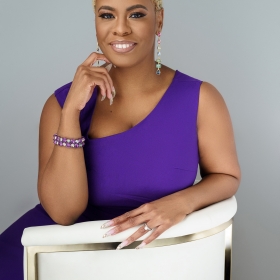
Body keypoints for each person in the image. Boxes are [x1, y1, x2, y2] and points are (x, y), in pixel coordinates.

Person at [0, 0, 241, 278]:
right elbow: (62, 214)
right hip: (50, 259)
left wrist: (182, 203)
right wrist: (70, 116)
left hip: (147, 261)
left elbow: (227, 175)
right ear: (96, 23)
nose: (120, 29)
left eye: (136, 14)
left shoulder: (200, 99)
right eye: (107, 15)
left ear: (159, 21)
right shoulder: (61, 105)